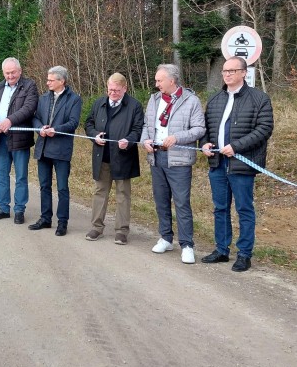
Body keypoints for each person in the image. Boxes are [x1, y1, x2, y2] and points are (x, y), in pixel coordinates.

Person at [201, 56, 274, 272]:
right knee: (220, 208)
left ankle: (244, 254)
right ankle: (222, 249)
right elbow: (205, 127)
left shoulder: (259, 99)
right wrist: (204, 144)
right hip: (217, 163)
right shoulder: (215, 100)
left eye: (232, 70)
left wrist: (237, 146)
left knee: (244, 209)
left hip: (242, 164)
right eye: (225, 71)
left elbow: (264, 129)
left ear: (244, 73)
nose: (227, 74)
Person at [141, 64, 206, 264]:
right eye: (156, 80)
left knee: (181, 203)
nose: (156, 84)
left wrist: (177, 137)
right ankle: (166, 238)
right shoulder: (154, 100)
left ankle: (186, 245)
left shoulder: (191, 101)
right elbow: (146, 125)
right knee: (161, 201)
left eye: (159, 80)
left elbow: (199, 129)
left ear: (172, 80)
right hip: (156, 157)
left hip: (178, 160)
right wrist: (145, 140)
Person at [84, 73, 143, 244]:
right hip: (102, 157)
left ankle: (122, 231)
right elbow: (89, 124)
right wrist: (94, 135)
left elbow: (138, 129)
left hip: (123, 157)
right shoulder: (98, 103)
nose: (113, 93)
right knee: (99, 192)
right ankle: (96, 227)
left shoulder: (134, 106)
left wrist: (129, 140)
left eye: (117, 90)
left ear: (125, 89)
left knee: (123, 194)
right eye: (110, 90)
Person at [28, 66, 82, 236]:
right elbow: (35, 117)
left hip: (61, 149)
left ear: (62, 81)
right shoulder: (43, 98)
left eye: (51, 80)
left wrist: (55, 129)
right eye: (48, 79)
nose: (47, 82)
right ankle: (45, 218)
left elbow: (73, 123)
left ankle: (62, 222)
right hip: (43, 147)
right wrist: (40, 128)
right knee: (44, 185)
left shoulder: (74, 99)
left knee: (62, 188)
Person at [0, 57, 39, 224]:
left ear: (20, 71)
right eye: (7, 73)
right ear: (3, 73)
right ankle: (3, 208)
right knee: (1, 174)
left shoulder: (29, 86)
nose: (10, 76)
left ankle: (19, 210)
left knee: (21, 176)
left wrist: (10, 120)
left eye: (13, 72)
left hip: (19, 139)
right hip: (0, 137)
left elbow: (29, 108)